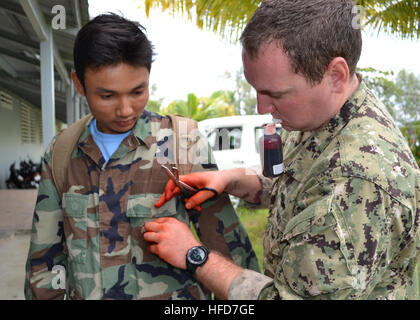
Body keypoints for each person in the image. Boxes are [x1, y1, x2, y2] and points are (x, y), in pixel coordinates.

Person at [146, 0, 420, 300]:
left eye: (275, 94)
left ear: (336, 76)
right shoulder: (318, 117)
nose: (262, 108)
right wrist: (235, 181)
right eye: (256, 89)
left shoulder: (359, 180)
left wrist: (194, 255)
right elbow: (301, 191)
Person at [24, 13, 259, 300]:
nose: (125, 110)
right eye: (107, 96)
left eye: (138, 91)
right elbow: (44, 263)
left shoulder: (183, 143)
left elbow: (229, 251)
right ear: (78, 84)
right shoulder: (62, 152)